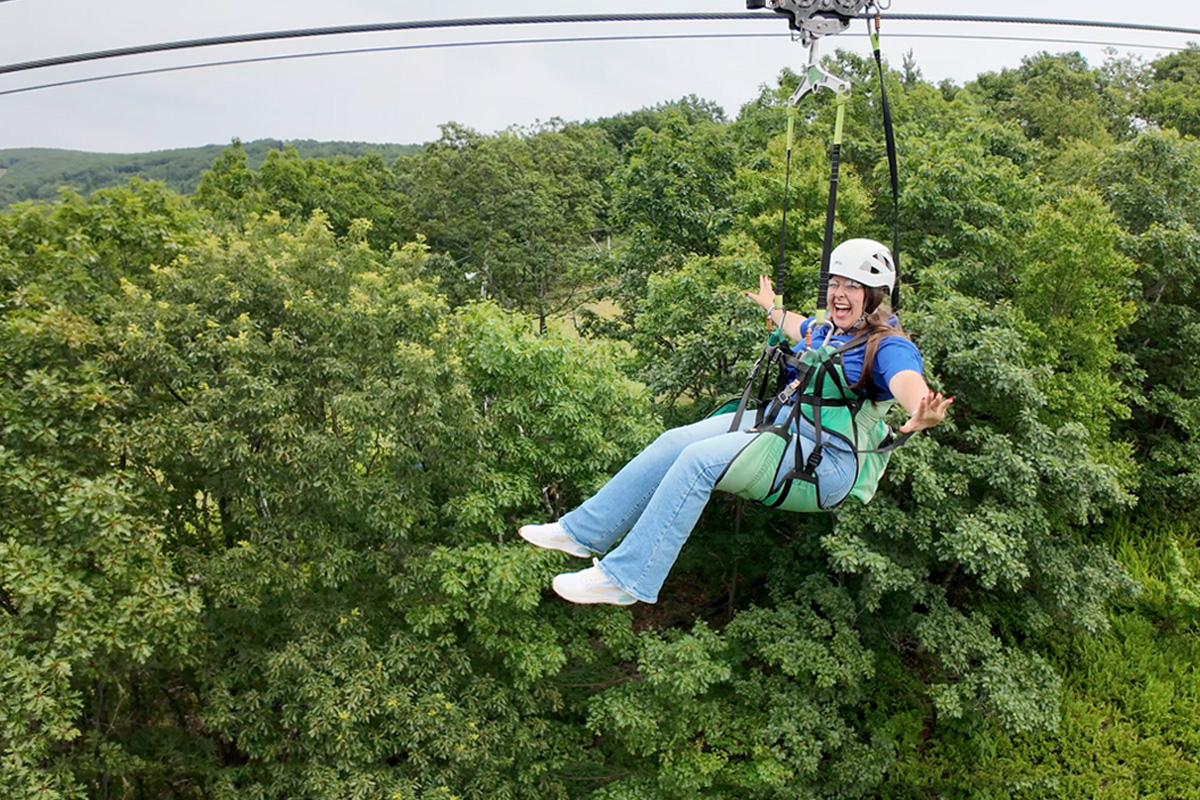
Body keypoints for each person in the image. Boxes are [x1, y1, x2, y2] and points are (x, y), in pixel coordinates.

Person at [519, 239, 952, 605]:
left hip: (825, 462)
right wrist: (773, 310)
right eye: (835, 282)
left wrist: (921, 411)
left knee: (699, 461)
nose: (839, 292)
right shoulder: (831, 330)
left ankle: (627, 579)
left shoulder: (887, 346)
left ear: (874, 295)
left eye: (852, 285)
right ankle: (582, 532)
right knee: (674, 442)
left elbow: (907, 382)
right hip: (781, 426)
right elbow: (800, 328)